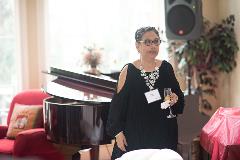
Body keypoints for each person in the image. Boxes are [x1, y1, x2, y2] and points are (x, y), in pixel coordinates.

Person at [106, 26, 184, 160]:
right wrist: (118, 133)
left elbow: (179, 100)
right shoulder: (128, 71)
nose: (152, 46)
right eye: (147, 42)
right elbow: (116, 108)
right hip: (135, 135)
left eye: (156, 41)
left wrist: (175, 98)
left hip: (163, 133)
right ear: (137, 46)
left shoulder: (166, 68)